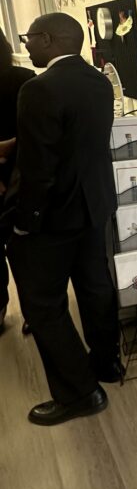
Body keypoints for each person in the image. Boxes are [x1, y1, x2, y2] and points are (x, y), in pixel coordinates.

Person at [4, 13, 122, 426]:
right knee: (95, 286)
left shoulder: (39, 89)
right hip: (95, 206)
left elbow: (39, 169)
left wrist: (24, 222)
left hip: (54, 217)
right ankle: (107, 363)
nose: (28, 45)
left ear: (49, 39)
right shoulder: (100, 82)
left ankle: (78, 393)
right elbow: (77, 140)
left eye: (30, 38)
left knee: (43, 304)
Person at [0, 33, 34, 330]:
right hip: (21, 174)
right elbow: (37, 132)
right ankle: (32, 313)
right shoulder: (24, 78)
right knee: (24, 249)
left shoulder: (25, 78)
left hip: (14, 171)